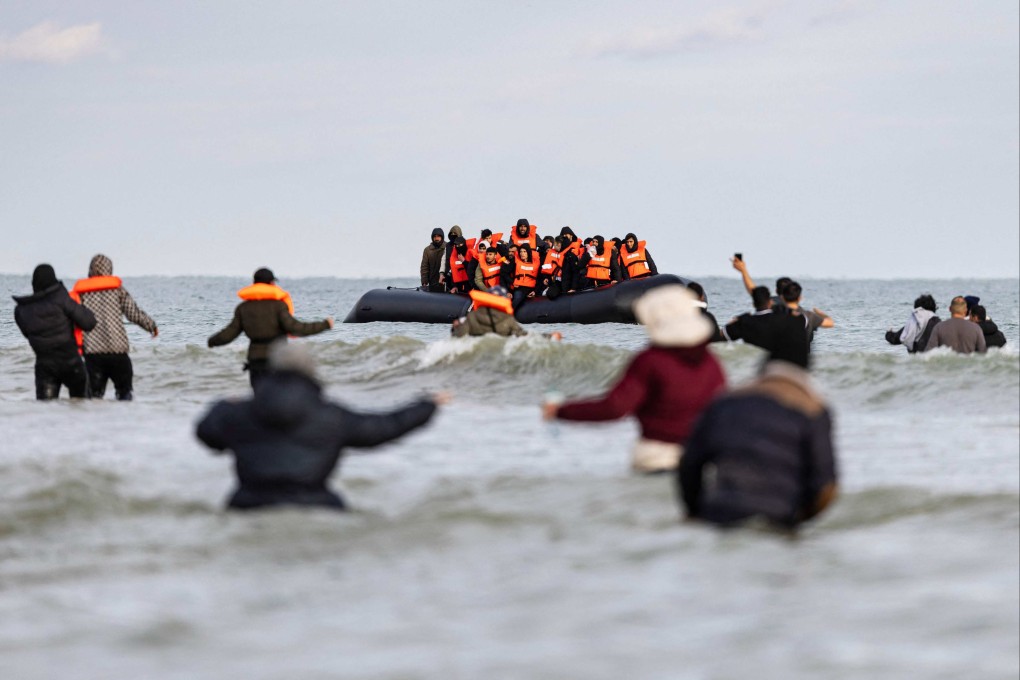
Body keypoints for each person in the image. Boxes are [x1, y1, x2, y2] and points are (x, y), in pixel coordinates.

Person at [196, 341, 445, 511]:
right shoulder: (331, 416)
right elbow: (382, 427)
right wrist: (427, 405)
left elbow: (206, 433)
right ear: (311, 374)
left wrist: (223, 405)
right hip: (316, 507)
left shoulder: (239, 413)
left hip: (248, 506)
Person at [543, 286, 725, 473]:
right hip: (701, 456)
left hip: (657, 456)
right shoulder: (711, 362)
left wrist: (560, 411)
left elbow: (615, 407)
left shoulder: (651, 360)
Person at [678, 351, 838, 530]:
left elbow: (689, 464)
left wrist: (695, 511)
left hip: (720, 512)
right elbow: (826, 487)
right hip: (778, 517)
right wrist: (799, 519)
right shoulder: (813, 410)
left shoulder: (724, 402)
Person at [208, 268, 334, 388]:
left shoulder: (243, 308)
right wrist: (325, 325)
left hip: (256, 362)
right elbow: (296, 328)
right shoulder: (279, 306)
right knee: (277, 401)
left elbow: (230, 333)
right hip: (277, 360)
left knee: (260, 400)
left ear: (254, 284)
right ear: (271, 283)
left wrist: (212, 341)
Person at [69, 254, 158, 401]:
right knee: (125, 395)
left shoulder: (82, 293)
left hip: (93, 353)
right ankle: (124, 421)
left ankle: (94, 422)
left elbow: (72, 320)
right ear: (109, 269)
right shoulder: (117, 290)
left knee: (94, 397)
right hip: (118, 352)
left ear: (91, 270)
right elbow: (133, 313)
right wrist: (151, 326)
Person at [13, 264, 97, 400]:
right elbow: (89, 323)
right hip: (71, 363)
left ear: (34, 284)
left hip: (45, 366)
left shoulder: (21, 311)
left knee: (46, 412)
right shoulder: (61, 298)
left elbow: (27, 334)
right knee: (82, 409)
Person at [720, 286, 812, 365]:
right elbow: (804, 322)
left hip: (754, 364)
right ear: (770, 302)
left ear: (753, 304)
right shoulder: (783, 319)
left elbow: (721, 336)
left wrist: (733, 322)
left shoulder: (744, 321)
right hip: (784, 364)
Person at [510, 243, 538, 309]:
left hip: (531, 288)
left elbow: (540, 278)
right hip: (520, 288)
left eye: (524, 251)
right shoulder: (516, 261)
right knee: (517, 299)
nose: (522, 253)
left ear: (528, 252)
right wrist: (512, 282)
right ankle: (506, 315)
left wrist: (536, 291)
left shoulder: (536, 262)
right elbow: (504, 273)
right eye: (521, 251)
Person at [420, 228, 446, 292]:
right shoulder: (427, 250)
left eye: (438, 236)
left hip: (446, 282)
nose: (436, 238)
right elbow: (424, 267)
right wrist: (424, 282)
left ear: (442, 237)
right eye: (435, 236)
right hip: (432, 282)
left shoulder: (448, 247)